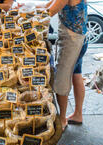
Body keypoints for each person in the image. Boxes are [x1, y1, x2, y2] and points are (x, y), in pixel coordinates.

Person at [32, 0, 88, 129]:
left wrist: (31, 17)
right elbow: (48, 5)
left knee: (61, 80)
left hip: (72, 41)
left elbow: (50, 11)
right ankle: (78, 114)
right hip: (81, 36)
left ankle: (62, 120)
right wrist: (29, 7)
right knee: (76, 74)